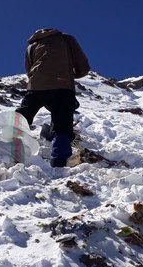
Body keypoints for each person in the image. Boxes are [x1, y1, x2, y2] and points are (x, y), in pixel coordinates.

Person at [17, 28, 90, 167]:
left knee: (22, 118)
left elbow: (29, 70)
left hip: (36, 86)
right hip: (62, 86)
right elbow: (83, 67)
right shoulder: (66, 39)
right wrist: (70, 74)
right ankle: (59, 161)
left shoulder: (31, 47)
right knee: (62, 125)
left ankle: (9, 151)